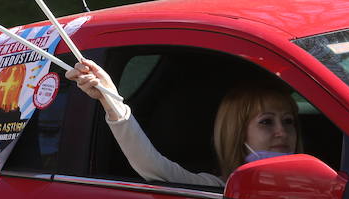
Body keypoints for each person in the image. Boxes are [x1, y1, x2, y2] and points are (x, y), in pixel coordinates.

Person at [67, 59, 300, 187]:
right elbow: (153, 166)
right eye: (266, 122)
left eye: (288, 121)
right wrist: (111, 100)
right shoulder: (221, 187)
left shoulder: (320, 180)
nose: (282, 132)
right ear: (237, 134)